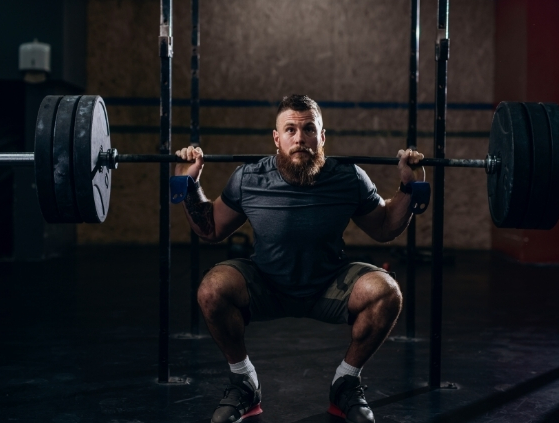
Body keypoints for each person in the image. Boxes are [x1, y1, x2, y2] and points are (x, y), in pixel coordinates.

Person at [174, 94, 424, 423]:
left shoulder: (348, 177)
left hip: (329, 285)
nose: (300, 137)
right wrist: (189, 183)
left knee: (386, 292)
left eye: (308, 129)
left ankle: (346, 382)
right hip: (265, 284)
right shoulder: (249, 177)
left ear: (322, 137)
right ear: (276, 139)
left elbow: (384, 227)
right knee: (211, 290)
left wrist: (410, 187)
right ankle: (244, 381)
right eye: (290, 129)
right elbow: (211, 229)